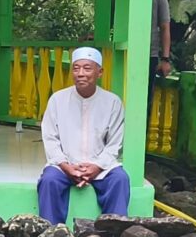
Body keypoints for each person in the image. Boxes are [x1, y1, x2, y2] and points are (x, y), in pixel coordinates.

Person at [37, 47, 130, 225]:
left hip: (101, 166)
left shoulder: (112, 102)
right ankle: (51, 236)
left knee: (120, 179)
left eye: (87, 68)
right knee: (49, 181)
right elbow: (50, 138)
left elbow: (114, 144)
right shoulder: (58, 100)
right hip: (64, 165)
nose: (80, 73)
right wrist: (66, 166)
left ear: (99, 72)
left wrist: (97, 166)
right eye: (76, 68)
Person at [147, 0, 173, 118]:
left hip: (149, 56)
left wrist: (165, 59)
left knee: (145, 101)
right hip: (127, 54)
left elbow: (165, 28)